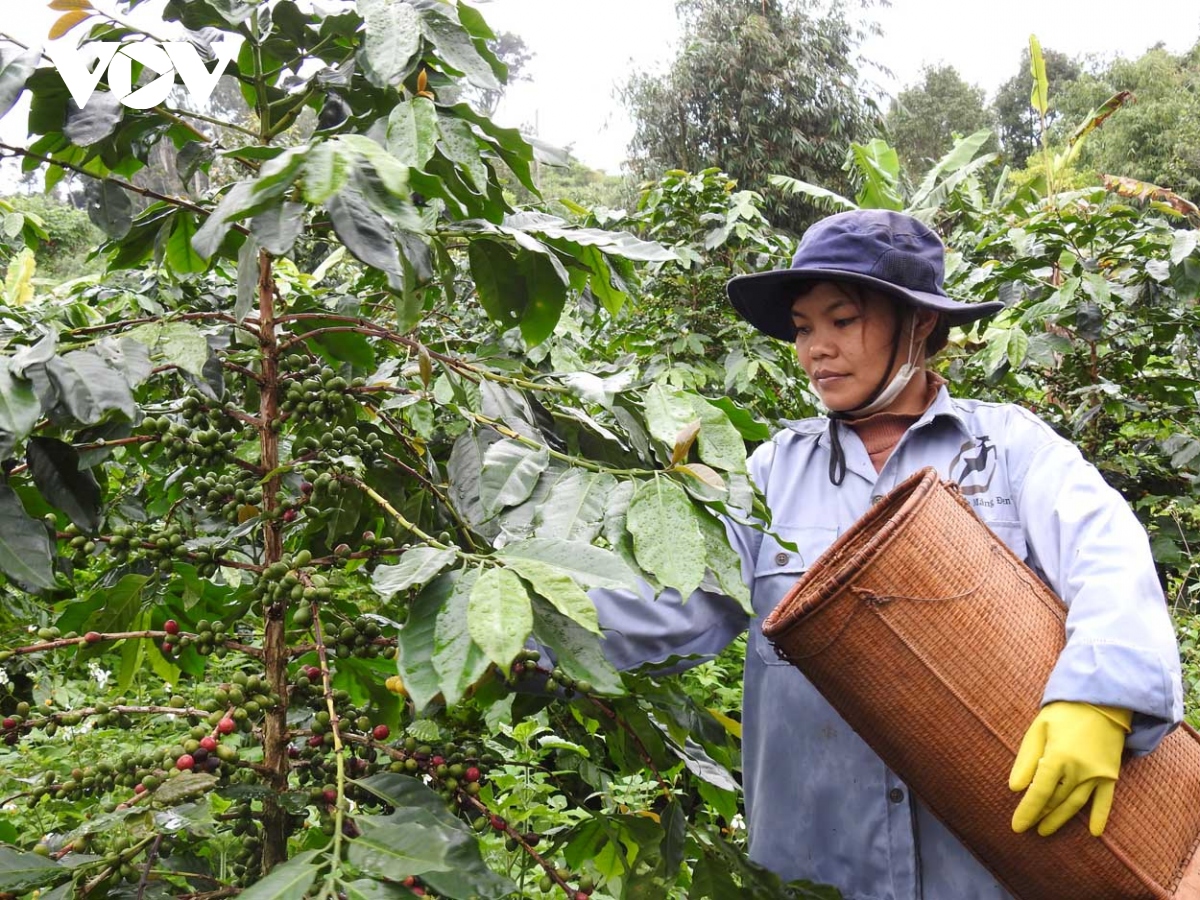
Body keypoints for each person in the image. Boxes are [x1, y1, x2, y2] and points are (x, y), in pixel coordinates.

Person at [587, 209, 1183, 899]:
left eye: (841, 321)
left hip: (986, 870)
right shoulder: (769, 473)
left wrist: (1099, 699)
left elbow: (1108, 556)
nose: (816, 349)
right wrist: (525, 632)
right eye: (805, 328)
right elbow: (675, 599)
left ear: (919, 324)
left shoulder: (1011, 453)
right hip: (819, 867)